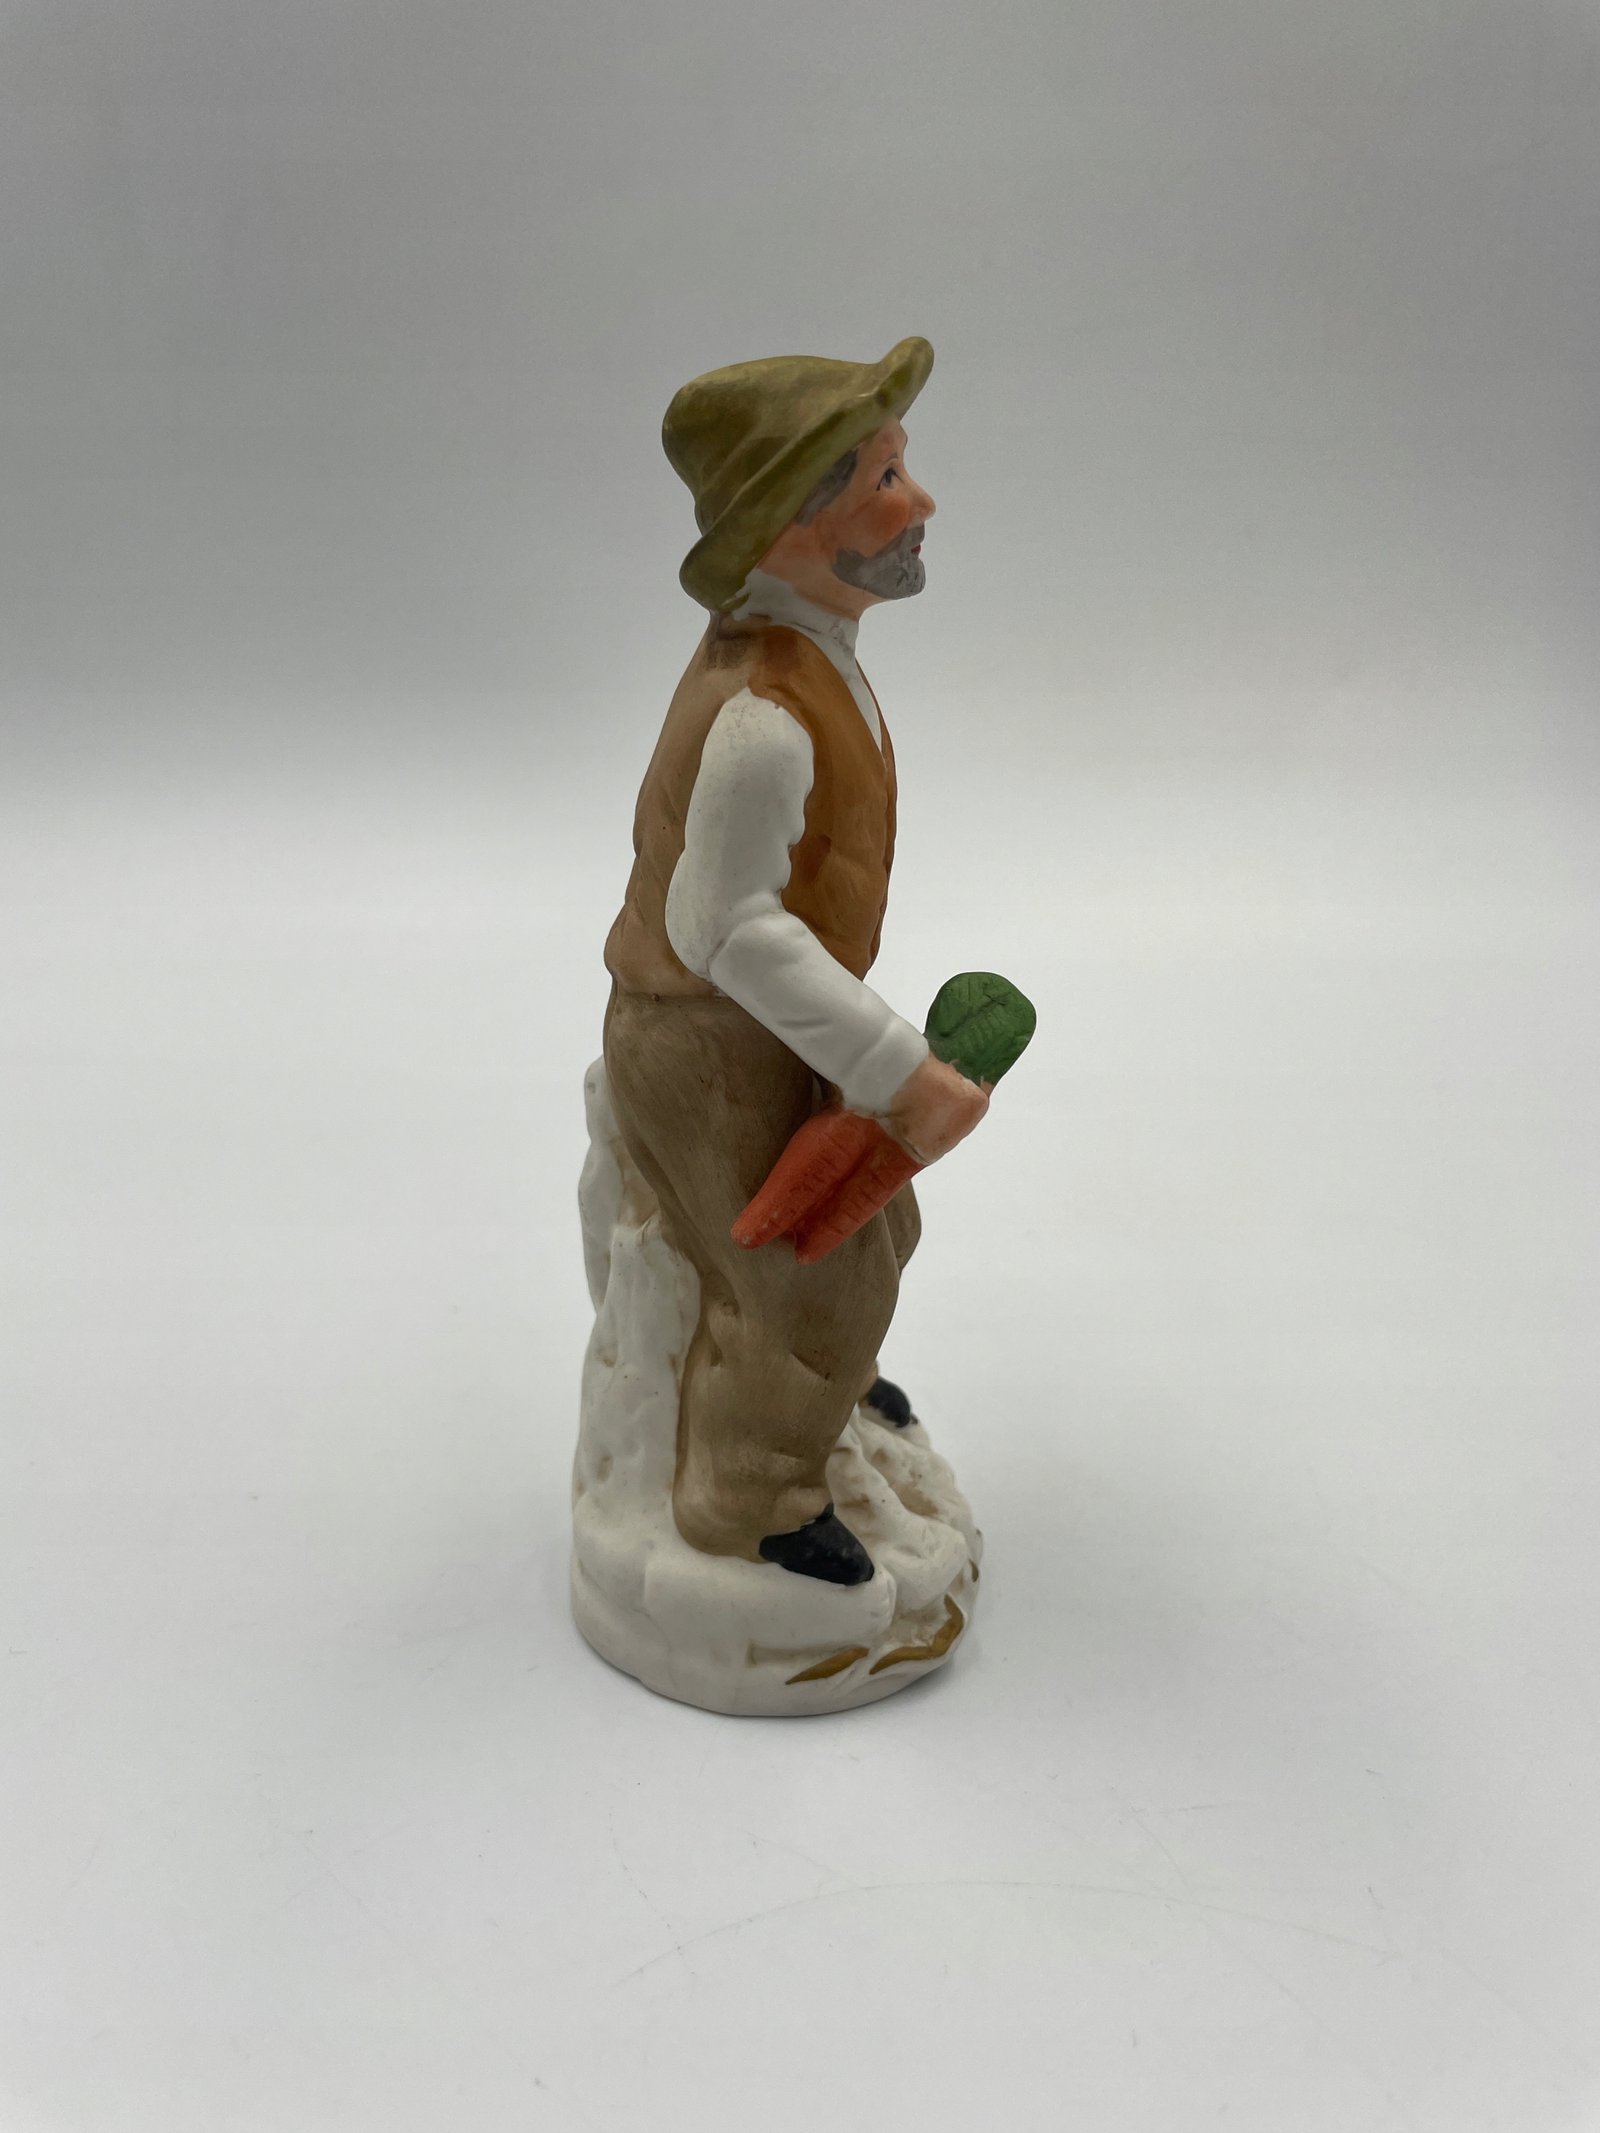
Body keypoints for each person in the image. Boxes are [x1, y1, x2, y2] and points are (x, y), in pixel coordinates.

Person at [602, 337, 986, 1585]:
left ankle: (826, 1379)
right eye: (882, 479)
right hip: (704, 1036)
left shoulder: (814, 660)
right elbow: (725, 929)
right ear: (787, 527)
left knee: (880, 1222)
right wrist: (900, 1070)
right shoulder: (763, 715)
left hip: (767, 1020)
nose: (919, 503)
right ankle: (750, 1505)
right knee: (798, 1275)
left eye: (899, 468)